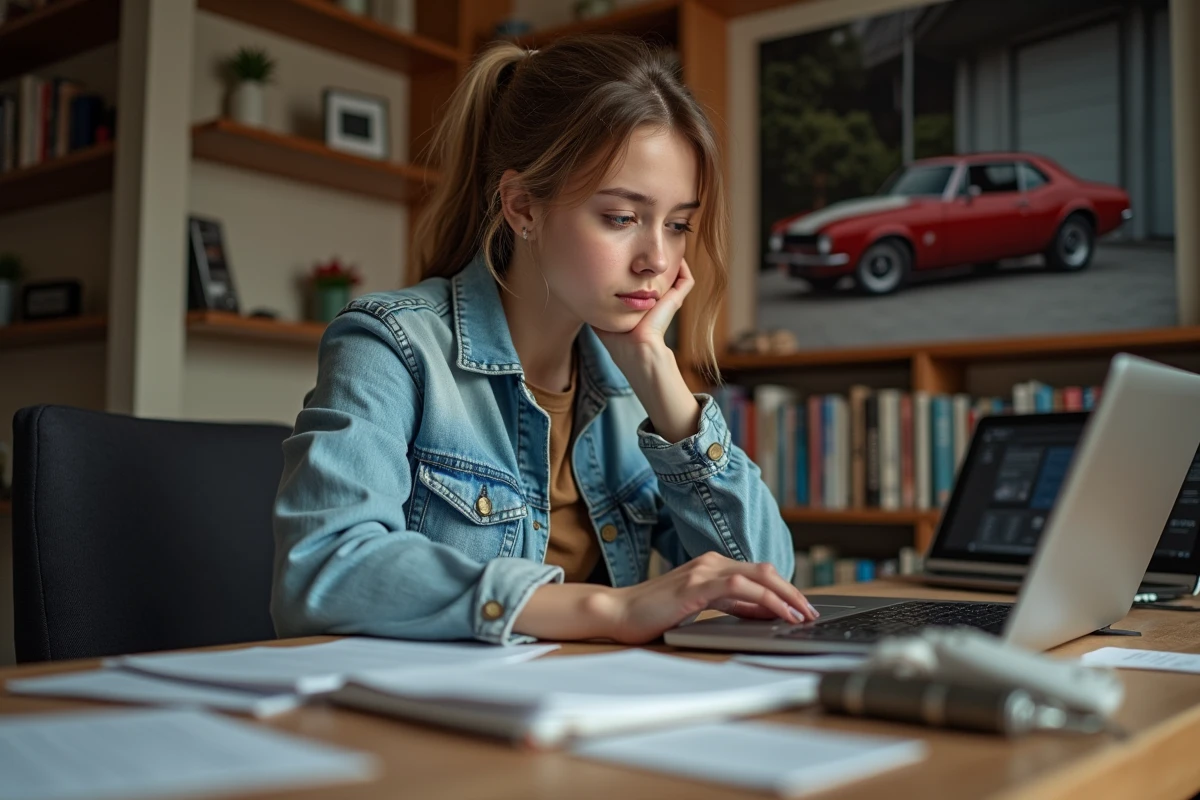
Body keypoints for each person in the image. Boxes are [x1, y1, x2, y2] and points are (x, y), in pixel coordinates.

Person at [271, 33, 817, 647]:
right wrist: (609, 612)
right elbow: (321, 572)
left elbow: (769, 577)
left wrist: (662, 380)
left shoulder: (631, 389)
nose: (657, 260)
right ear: (523, 207)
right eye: (620, 218)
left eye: (679, 224)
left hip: (581, 708)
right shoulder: (391, 345)